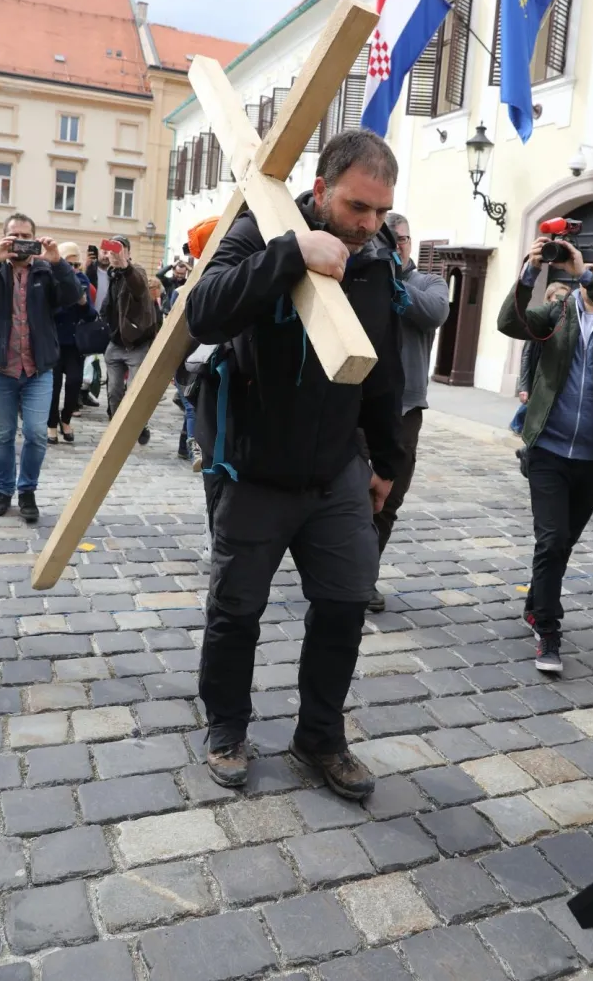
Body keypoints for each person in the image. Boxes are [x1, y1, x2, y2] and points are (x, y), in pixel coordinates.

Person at [187, 129, 404, 798]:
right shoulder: (260, 229)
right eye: (357, 207)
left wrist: (387, 462)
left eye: (381, 210)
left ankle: (320, 738)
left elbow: (383, 373)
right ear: (320, 190)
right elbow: (203, 312)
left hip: (336, 469)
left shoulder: (376, 260)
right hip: (254, 468)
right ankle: (227, 728)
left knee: (344, 605)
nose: (369, 224)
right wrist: (290, 254)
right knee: (236, 610)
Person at [498, 239, 593, 673]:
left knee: (562, 544)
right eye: (591, 268)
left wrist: (583, 274)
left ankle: (535, 604)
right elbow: (510, 322)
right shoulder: (559, 312)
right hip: (548, 449)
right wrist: (529, 272)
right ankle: (548, 629)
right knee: (551, 540)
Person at [0, 214, 80, 522]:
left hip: (38, 370)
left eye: (26, 235)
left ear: (35, 239)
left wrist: (58, 262)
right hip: (1, 369)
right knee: (3, 435)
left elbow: (73, 297)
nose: (20, 241)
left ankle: (27, 490)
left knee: (36, 433)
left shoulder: (46, 269)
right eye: (14, 235)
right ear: (5, 237)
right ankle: (3, 490)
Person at [366, 212, 448, 613]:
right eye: (388, 239)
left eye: (402, 239)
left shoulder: (429, 283)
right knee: (346, 493)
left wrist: (389, 279)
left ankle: (364, 577)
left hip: (405, 409)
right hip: (358, 403)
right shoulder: (362, 275)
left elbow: (435, 312)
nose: (397, 245)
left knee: (388, 500)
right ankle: (340, 567)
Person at [101, 235, 157, 445]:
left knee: (135, 392)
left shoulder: (136, 270)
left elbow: (139, 287)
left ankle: (140, 425)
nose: (114, 254)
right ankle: (118, 431)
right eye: (111, 250)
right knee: (114, 392)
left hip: (136, 344)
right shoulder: (111, 274)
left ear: (128, 252)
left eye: (119, 249)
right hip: (116, 344)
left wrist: (125, 266)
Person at [47, 242, 97, 445]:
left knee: (75, 382)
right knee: (53, 385)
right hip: (53, 341)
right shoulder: (50, 279)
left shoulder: (82, 280)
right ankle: (51, 424)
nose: (74, 269)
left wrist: (83, 303)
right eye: (70, 264)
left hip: (75, 343)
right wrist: (67, 301)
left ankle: (66, 419)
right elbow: (46, 311)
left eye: (77, 265)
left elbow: (91, 315)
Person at [510, 282, 571, 436]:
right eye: (557, 298)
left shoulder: (568, 323)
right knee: (531, 403)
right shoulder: (539, 322)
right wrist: (524, 387)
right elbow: (526, 355)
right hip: (537, 374)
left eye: (565, 298)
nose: (562, 302)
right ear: (548, 299)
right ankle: (517, 425)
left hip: (554, 375)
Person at [85, 244, 111, 313]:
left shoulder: (114, 274)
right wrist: (86, 268)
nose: (106, 256)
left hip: (105, 316)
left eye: (109, 253)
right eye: (104, 252)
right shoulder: (90, 271)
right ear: (98, 253)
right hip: (90, 314)